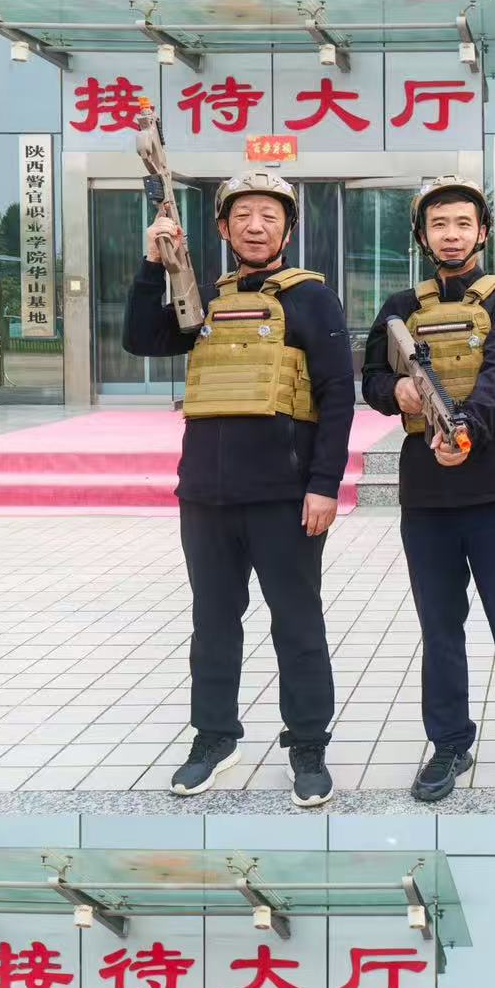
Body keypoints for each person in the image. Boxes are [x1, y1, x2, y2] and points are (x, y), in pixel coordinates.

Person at [124, 170, 354, 807]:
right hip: (205, 495)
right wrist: (153, 264)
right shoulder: (201, 299)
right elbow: (141, 339)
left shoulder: (313, 299)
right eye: (243, 216)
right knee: (213, 622)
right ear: (223, 228)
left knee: (297, 622)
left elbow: (338, 396)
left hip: (285, 496)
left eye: (270, 216)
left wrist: (324, 484)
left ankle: (307, 744)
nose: (256, 226)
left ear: (288, 229)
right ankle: (214, 738)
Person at [361, 178, 495, 813]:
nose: (452, 235)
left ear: (482, 232)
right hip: (426, 495)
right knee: (440, 629)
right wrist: (396, 392)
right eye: (439, 224)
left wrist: (465, 429)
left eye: (463, 223)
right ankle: (450, 744)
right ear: (422, 235)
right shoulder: (400, 306)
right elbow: (370, 374)